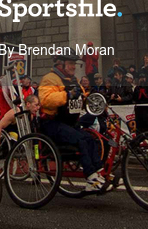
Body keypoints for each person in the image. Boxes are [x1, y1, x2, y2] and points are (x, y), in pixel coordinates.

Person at [38, 52, 106, 190]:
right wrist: (67, 95)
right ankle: (91, 178)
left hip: (69, 123)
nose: (73, 66)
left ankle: (99, 172)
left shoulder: (73, 79)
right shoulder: (49, 79)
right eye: (70, 63)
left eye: (74, 64)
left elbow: (82, 98)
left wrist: (95, 102)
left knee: (90, 139)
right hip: (52, 123)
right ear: (60, 64)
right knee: (80, 140)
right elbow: (45, 100)